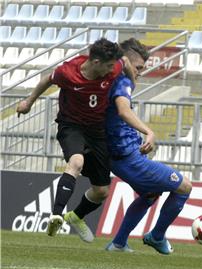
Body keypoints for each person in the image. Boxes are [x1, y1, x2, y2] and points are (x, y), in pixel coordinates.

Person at [16, 38, 134, 242]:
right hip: (72, 126)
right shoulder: (68, 72)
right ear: (96, 62)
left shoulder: (114, 66)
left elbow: (125, 61)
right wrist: (28, 101)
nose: (111, 70)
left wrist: (132, 83)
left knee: (102, 191)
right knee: (76, 162)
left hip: (97, 131)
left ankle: (76, 216)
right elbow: (46, 80)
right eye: (107, 66)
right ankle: (56, 214)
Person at [103, 38, 192, 254]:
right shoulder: (122, 81)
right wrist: (148, 131)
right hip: (127, 157)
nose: (141, 72)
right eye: (139, 67)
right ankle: (156, 236)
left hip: (120, 154)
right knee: (184, 187)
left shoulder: (109, 79)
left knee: (149, 195)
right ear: (124, 61)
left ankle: (118, 243)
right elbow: (123, 110)